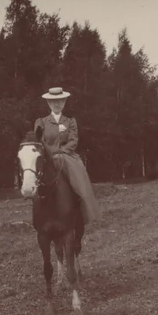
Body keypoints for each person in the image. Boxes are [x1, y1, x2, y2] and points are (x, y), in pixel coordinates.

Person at [33, 87, 101, 224]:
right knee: (34, 175)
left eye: (59, 101)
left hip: (67, 155)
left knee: (79, 175)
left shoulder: (70, 122)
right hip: (47, 156)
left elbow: (73, 140)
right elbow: (39, 141)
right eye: (53, 102)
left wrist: (61, 152)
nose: (56, 104)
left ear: (64, 102)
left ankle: (82, 205)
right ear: (48, 103)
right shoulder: (41, 122)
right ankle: (37, 211)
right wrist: (51, 153)